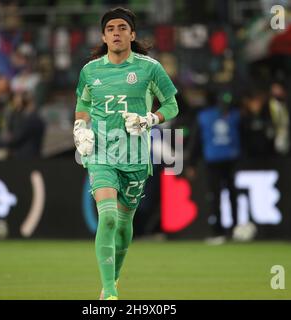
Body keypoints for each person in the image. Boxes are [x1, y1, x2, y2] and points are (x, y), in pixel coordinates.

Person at [73, 7, 178, 300]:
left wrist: (150, 119)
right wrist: (80, 130)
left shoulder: (149, 68)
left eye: (122, 27)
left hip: (134, 156)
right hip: (102, 154)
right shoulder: (90, 71)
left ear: (132, 34)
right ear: (103, 36)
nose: (116, 32)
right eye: (110, 29)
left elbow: (172, 105)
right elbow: (82, 108)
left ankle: (114, 277)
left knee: (122, 225)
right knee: (106, 219)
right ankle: (108, 292)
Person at [185, 91, 240, 244]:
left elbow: (195, 141)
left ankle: (224, 231)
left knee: (219, 196)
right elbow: (196, 140)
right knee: (226, 195)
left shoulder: (205, 116)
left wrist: (191, 163)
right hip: (224, 160)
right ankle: (227, 230)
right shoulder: (233, 115)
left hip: (220, 160)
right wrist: (192, 163)